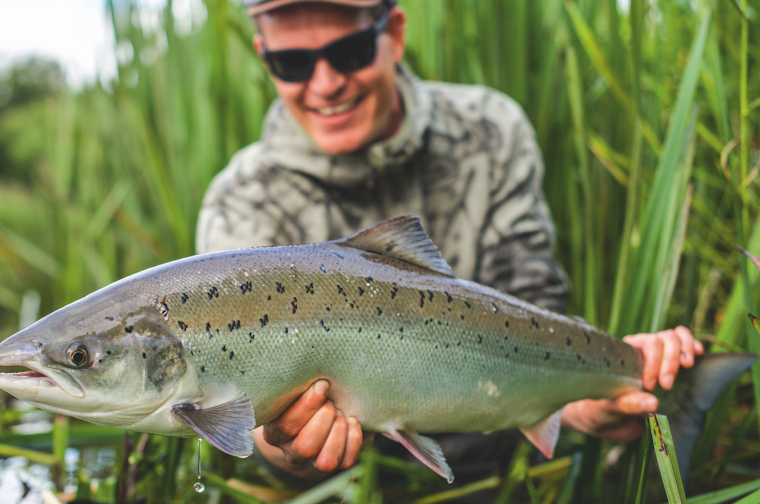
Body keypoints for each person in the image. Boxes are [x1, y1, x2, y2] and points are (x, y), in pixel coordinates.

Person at [195, 0, 703, 483]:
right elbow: (247, 426)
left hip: (499, 472)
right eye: (292, 62)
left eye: (349, 53)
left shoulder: (490, 131)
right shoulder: (240, 201)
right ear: (265, 58)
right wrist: (289, 450)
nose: (325, 84)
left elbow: (534, 319)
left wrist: (586, 399)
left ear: (393, 35)